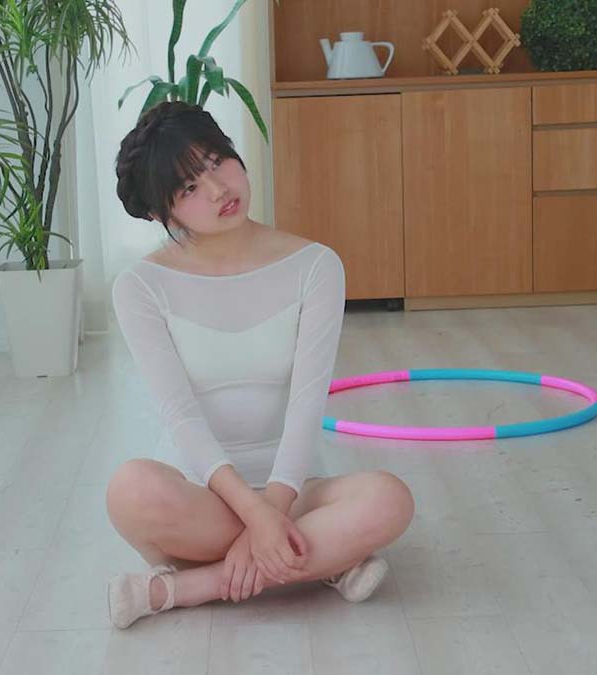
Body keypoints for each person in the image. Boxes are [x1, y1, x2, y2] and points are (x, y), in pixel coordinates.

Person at [104, 101, 415, 629]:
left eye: (217, 161)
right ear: (161, 213)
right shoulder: (139, 286)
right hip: (199, 495)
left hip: (297, 487)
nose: (218, 189)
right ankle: (321, 559)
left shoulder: (315, 265)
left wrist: (273, 509)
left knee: (390, 499)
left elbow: (307, 406)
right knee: (129, 490)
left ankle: (185, 587)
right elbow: (181, 417)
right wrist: (256, 519)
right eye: (189, 187)